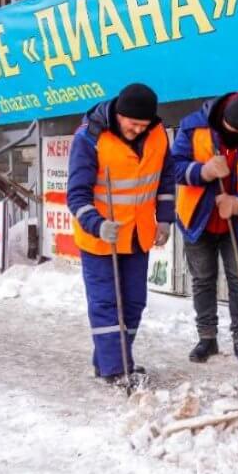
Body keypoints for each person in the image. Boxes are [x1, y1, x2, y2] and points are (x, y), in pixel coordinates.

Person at [67, 83, 174, 386]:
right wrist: (97, 224)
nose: (138, 130)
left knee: (133, 303)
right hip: (101, 239)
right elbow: (76, 194)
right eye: (132, 123)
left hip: (138, 236)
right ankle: (116, 369)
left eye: (143, 125)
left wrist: (164, 220)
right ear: (119, 114)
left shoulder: (157, 135)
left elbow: (166, 179)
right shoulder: (90, 138)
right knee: (106, 305)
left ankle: (114, 361)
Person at [172, 91, 238, 367]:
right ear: (221, 122)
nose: (236, 137)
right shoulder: (193, 128)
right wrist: (203, 172)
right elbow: (173, 168)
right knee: (202, 280)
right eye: (231, 132)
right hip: (197, 220)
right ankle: (207, 338)